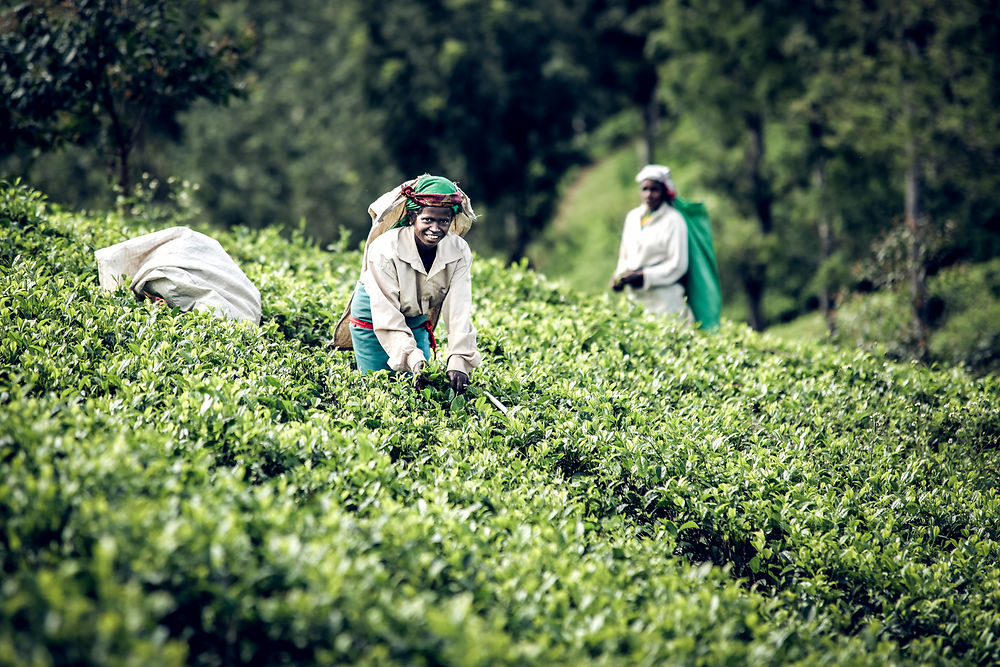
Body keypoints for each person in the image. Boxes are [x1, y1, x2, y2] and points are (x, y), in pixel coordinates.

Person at [333, 174, 481, 393]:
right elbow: (387, 315)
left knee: (422, 390)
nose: (435, 228)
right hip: (374, 320)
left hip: (416, 319)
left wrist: (459, 360)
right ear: (413, 217)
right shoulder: (385, 249)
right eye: (428, 220)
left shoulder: (458, 251)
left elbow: (459, 310)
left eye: (443, 221)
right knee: (381, 390)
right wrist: (413, 358)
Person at [610, 164, 691, 320]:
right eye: (644, 189)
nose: (648, 194)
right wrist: (619, 276)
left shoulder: (674, 221)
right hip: (635, 300)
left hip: (665, 302)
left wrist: (644, 276)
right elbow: (625, 256)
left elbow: (678, 265)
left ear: (664, 192)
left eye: (654, 189)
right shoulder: (633, 217)